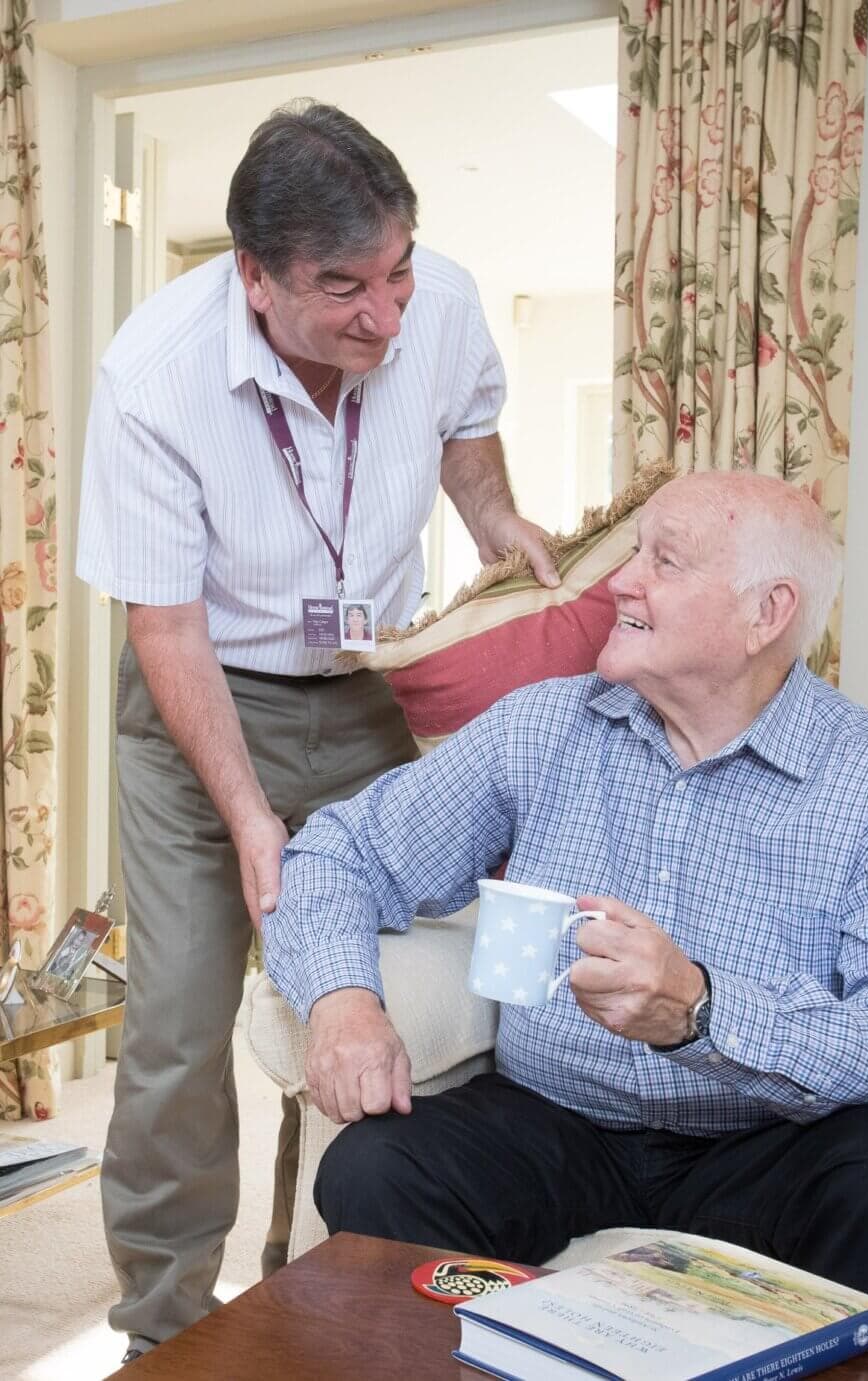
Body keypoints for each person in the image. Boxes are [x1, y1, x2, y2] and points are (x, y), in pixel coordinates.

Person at [265, 471, 868, 1348]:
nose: (620, 580)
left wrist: (705, 1012)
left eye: (665, 560)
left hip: (772, 1139)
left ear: (766, 612)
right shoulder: (543, 728)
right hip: (555, 1122)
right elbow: (337, 852)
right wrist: (343, 999)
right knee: (377, 1167)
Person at [75, 100, 558, 1363]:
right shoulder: (154, 376)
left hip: (367, 686)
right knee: (179, 1025)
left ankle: (356, 1284)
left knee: (392, 982)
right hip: (202, 702)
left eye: (396, 272)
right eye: (344, 287)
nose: (384, 316)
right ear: (254, 276)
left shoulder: (435, 303)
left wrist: (500, 527)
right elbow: (166, 630)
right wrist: (245, 816)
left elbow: (466, 444)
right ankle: (165, 1326)